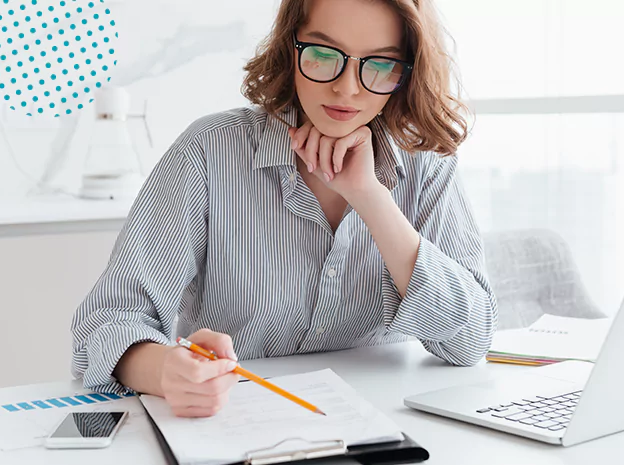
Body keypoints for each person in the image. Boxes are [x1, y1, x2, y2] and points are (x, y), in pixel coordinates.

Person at [71, 0, 498, 418]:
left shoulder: (426, 162)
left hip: (382, 430)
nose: (347, 87)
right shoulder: (209, 152)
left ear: (406, 72)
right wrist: (168, 371)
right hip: (233, 429)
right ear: (289, 48)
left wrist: (371, 198)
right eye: (322, 54)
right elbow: (105, 324)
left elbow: (471, 339)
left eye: (380, 64)